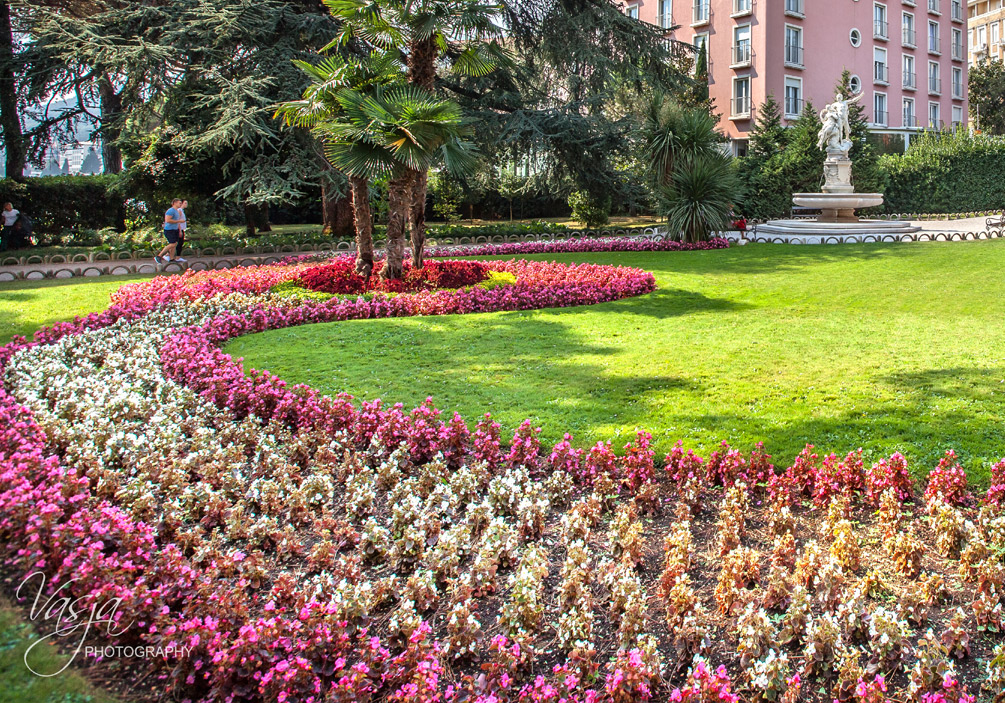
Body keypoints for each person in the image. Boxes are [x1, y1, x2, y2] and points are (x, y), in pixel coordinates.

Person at [155, 199, 184, 265]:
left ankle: (171, 258)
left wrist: (179, 230)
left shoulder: (177, 211)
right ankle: (159, 256)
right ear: (174, 203)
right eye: (179, 203)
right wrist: (179, 221)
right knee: (172, 244)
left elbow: (177, 221)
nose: (180, 204)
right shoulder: (170, 211)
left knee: (175, 244)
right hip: (169, 230)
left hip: (175, 229)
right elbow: (168, 220)